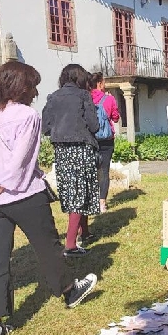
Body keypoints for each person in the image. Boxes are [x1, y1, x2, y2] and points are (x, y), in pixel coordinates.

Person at [0, 61, 96, 335]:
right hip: (24, 195)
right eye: (32, 85)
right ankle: (69, 292)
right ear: (21, 87)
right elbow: (20, 162)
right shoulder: (27, 116)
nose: (36, 91)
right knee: (47, 247)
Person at [42, 64, 100, 257]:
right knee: (82, 192)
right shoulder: (84, 96)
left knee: (73, 191)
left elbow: (45, 127)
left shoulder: (52, 97)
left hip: (61, 150)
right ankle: (70, 245)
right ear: (80, 78)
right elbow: (94, 125)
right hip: (81, 147)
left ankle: (86, 232)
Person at [90, 72, 121, 213]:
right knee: (104, 171)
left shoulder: (85, 98)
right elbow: (115, 118)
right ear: (100, 83)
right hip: (106, 140)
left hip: (90, 140)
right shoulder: (108, 99)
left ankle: (91, 200)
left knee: (90, 170)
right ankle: (102, 202)